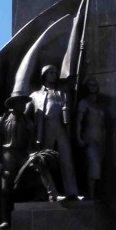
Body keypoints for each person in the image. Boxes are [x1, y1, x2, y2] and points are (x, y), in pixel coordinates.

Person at [27, 65, 80, 198]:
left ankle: (72, 192)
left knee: (67, 160)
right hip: (44, 129)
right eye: (51, 73)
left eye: (56, 73)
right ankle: (51, 194)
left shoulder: (63, 92)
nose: (54, 75)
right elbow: (25, 117)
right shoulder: (34, 96)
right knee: (43, 161)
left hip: (60, 128)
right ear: (44, 75)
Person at [0, 94, 34, 228]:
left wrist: (32, 155)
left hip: (23, 154)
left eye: (25, 104)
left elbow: (32, 141)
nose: (24, 106)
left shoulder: (27, 122)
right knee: (5, 188)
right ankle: (4, 219)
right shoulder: (3, 120)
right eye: (21, 104)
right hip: (7, 154)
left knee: (26, 183)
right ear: (13, 105)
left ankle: (25, 215)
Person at [75, 77, 106, 199]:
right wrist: (78, 138)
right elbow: (78, 121)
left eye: (95, 85)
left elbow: (103, 125)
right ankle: (91, 195)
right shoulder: (84, 102)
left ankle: (95, 194)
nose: (93, 87)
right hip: (89, 139)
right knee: (93, 167)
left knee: (99, 169)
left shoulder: (99, 105)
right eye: (90, 85)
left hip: (100, 141)